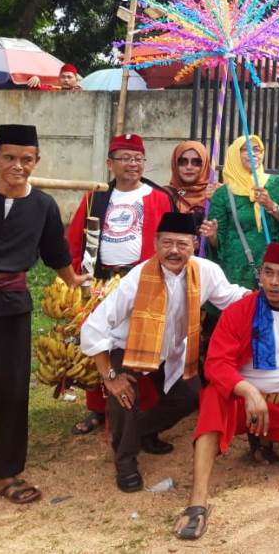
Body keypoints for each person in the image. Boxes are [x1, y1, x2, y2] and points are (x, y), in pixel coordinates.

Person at [173, 242, 279, 541]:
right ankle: (197, 503)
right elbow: (216, 362)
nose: (274, 282)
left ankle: (265, 435)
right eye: (268, 273)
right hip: (244, 403)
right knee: (214, 398)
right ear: (260, 275)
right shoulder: (240, 311)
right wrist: (248, 392)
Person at [79, 212, 250, 492]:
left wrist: (264, 295)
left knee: (191, 396)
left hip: (172, 351)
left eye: (181, 244)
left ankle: (142, 432)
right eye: (167, 243)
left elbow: (230, 296)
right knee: (124, 396)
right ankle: (125, 459)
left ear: (194, 244)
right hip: (129, 346)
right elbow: (95, 327)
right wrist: (110, 375)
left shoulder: (205, 271)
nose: (173, 251)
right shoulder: (137, 278)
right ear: (156, 243)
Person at [0, 124, 90, 504]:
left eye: (26, 160)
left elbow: (56, 254)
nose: (17, 166)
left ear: (37, 162)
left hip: (11, 306)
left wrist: (74, 281)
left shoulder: (43, 205)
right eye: (8, 157)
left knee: (11, 390)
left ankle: (7, 475)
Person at [67, 133, 175, 435]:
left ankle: (142, 409)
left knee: (141, 344)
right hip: (100, 279)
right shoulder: (96, 197)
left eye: (138, 158)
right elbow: (75, 238)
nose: (133, 164)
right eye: (125, 158)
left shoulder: (158, 198)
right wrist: (77, 277)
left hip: (142, 280)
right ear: (109, 164)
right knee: (99, 343)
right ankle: (96, 408)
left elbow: (171, 242)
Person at [202, 135, 279, 290]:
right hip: (235, 268)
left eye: (257, 149)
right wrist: (212, 235)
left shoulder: (275, 184)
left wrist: (271, 205)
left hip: (269, 265)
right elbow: (218, 241)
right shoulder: (223, 193)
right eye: (246, 149)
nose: (254, 153)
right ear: (235, 154)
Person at [165, 140, 215, 227]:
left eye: (196, 162)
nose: (189, 167)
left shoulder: (215, 193)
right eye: (183, 162)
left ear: (204, 165)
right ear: (175, 164)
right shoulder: (166, 194)